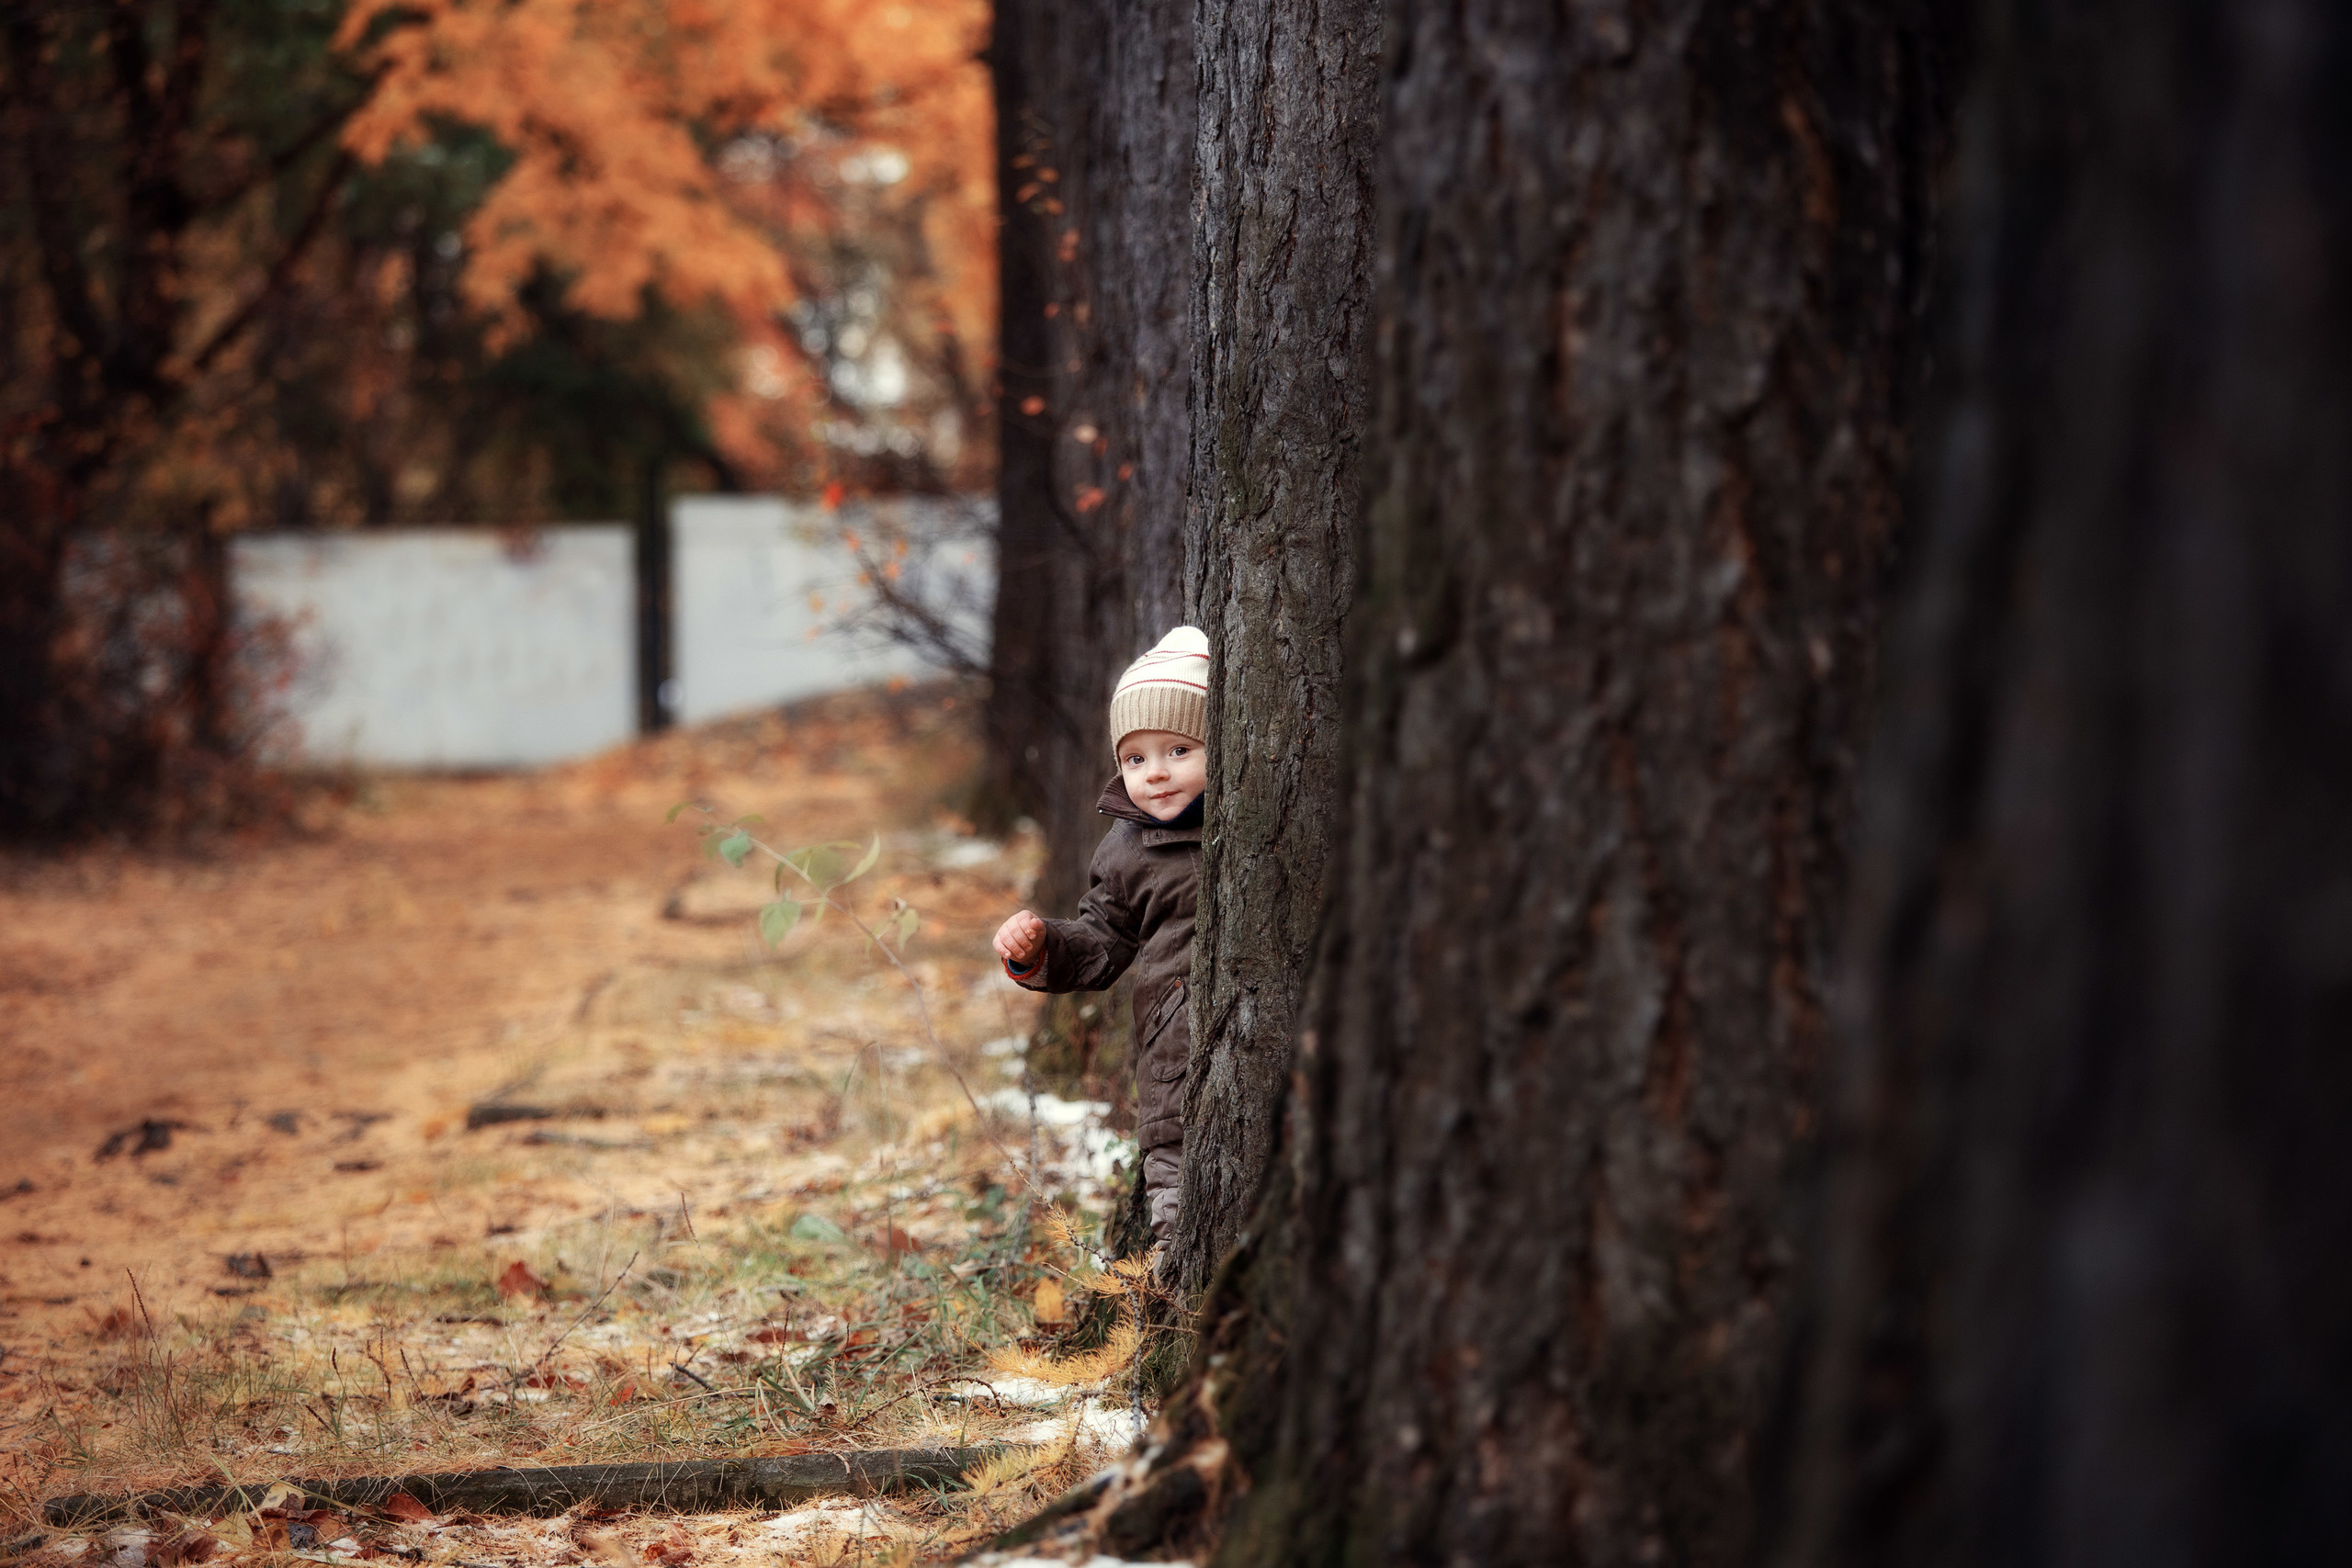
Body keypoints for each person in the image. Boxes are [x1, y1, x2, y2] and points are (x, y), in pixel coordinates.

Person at [992, 626, 1207, 1247]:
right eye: (1136, 759)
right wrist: (1039, 949)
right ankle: (1180, 1300)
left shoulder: (1257, 821)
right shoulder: (1128, 847)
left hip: (1270, 1036)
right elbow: (1102, 938)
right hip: (1174, 1057)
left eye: (1179, 750)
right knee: (1177, 1189)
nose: (1156, 774)